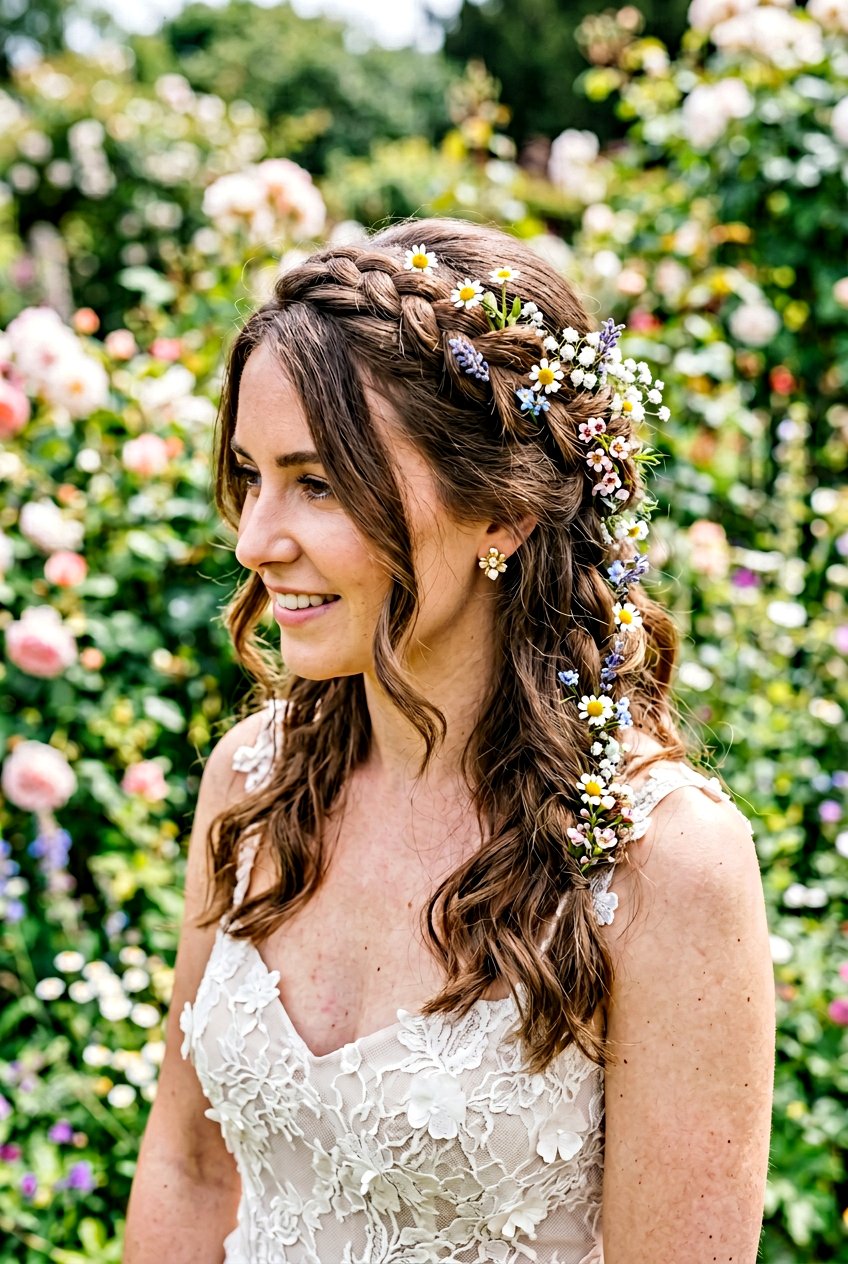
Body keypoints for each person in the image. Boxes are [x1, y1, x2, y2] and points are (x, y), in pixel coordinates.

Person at [124, 217, 775, 1263]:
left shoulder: (662, 863)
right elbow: (190, 1170)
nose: (255, 539)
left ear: (501, 517)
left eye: (318, 482)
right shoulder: (251, 781)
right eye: (250, 476)